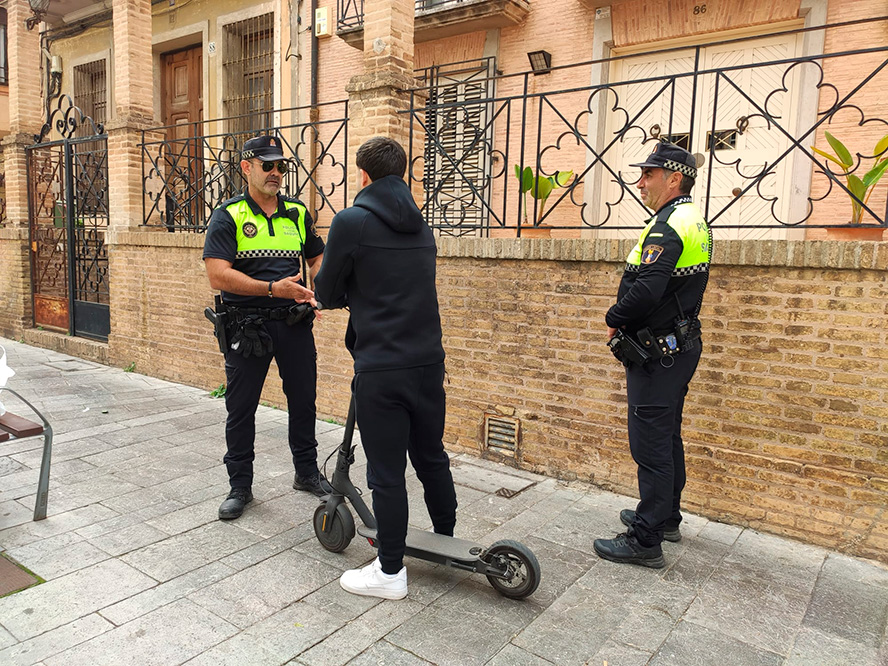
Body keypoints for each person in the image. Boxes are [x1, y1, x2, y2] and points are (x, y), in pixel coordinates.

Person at [313, 136, 458, 600]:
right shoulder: (423, 227)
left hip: (382, 367)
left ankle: (390, 572)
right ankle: (446, 541)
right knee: (431, 456)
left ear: (364, 176)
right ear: (402, 174)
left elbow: (328, 291)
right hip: (427, 362)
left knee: (386, 472)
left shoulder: (351, 221)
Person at [594, 141, 711, 568]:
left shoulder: (666, 226)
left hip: (658, 354)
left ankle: (646, 539)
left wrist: (613, 315)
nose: (641, 182)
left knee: (650, 446)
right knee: (667, 436)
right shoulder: (692, 218)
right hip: (678, 349)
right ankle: (666, 518)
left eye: (649, 174)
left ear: (673, 177)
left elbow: (647, 289)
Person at [203, 135, 331, 521]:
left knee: (304, 401)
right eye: (268, 165)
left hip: (294, 325)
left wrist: (310, 288)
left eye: (282, 167)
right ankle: (239, 485)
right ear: (246, 168)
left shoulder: (296, 212)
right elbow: (217, 275)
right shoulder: (229, 215)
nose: (276, 173)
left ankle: (306, 473)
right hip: (247, 328)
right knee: (240, 409)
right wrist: (273, 288)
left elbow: (318, 256)